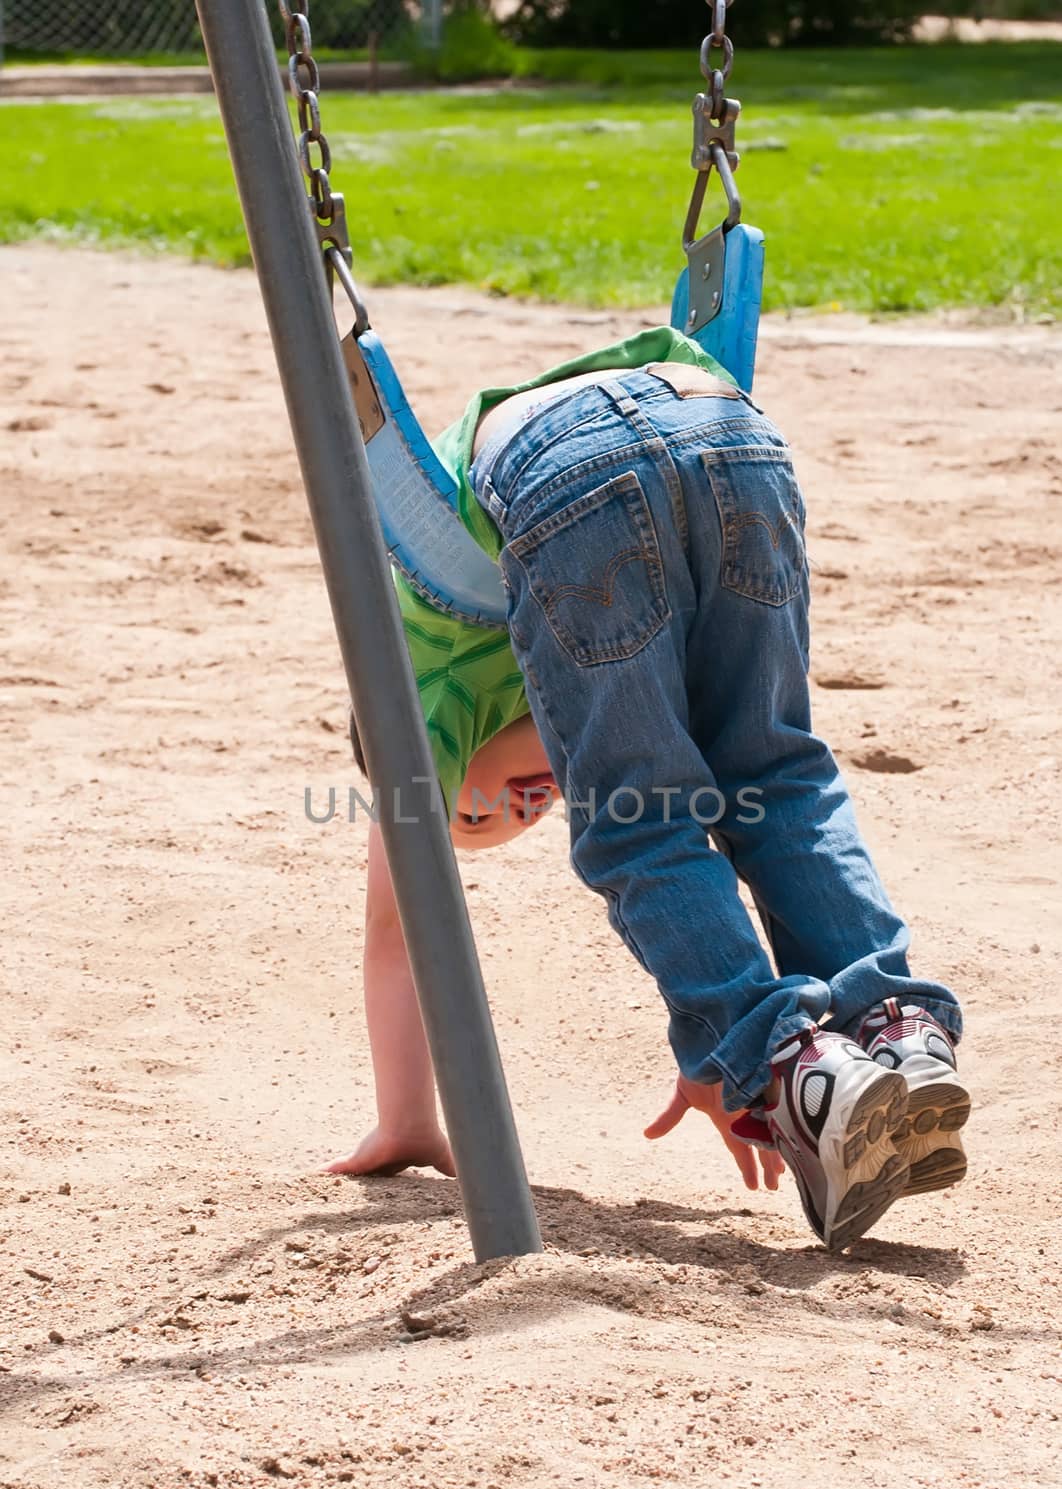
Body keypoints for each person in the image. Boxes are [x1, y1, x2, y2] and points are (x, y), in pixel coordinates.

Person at [326, 327, 969, 1251]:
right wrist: (702, 1030)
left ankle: (790, 1062)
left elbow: (400, 936)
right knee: (775, 776)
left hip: (560, 476)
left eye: (474, 809)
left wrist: (407, 1116)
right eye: (521, 817)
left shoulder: (409, 715)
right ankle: (895, 1032)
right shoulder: (532, 682)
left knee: (637, 823)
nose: (520, 803)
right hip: (724, 432)